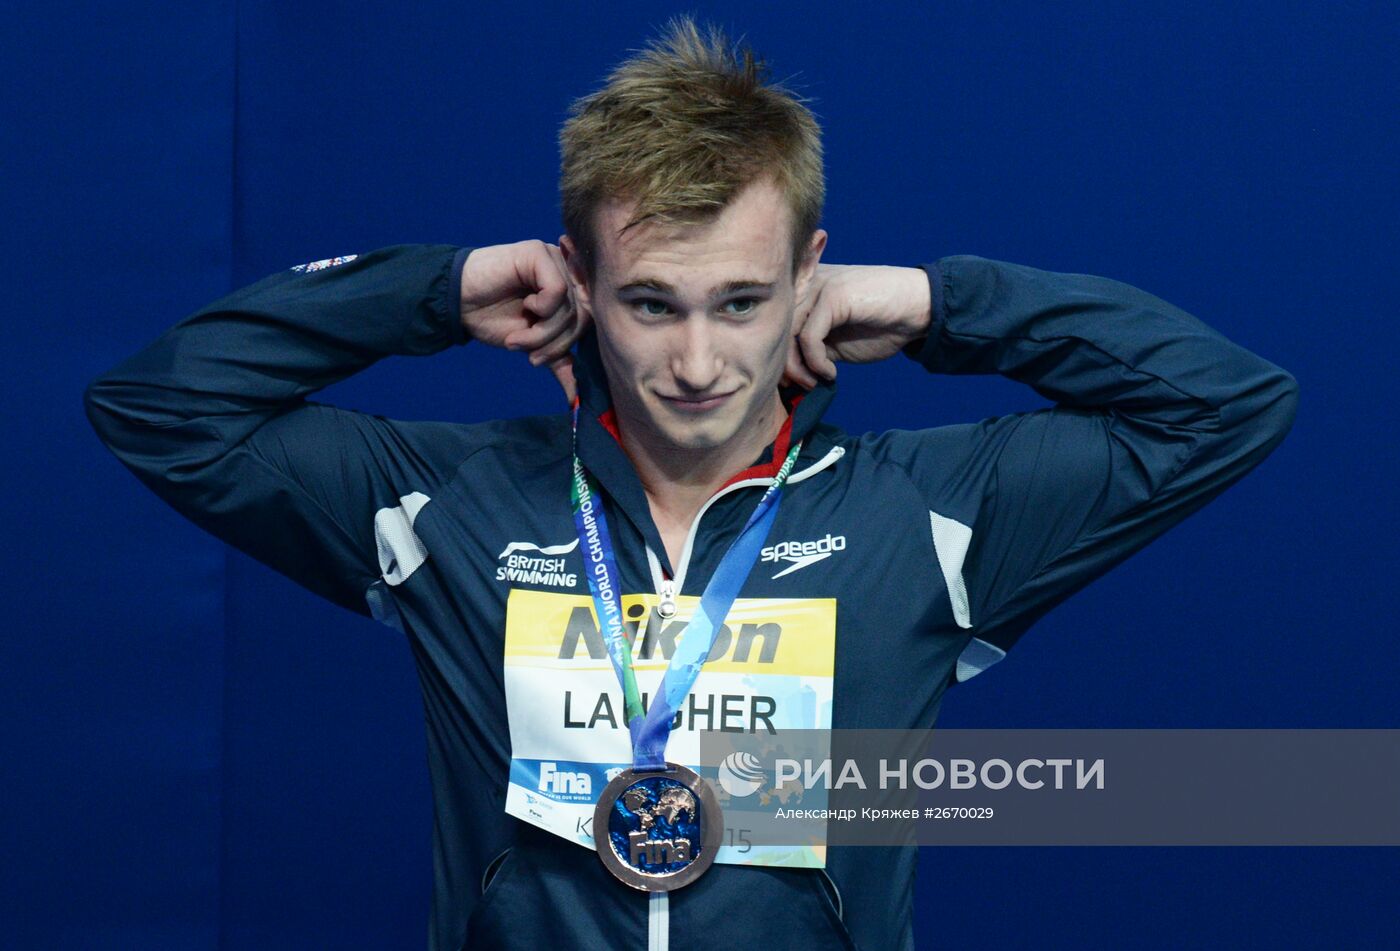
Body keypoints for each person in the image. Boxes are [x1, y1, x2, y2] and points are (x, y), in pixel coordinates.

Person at [83, 15, 1298, 951]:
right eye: (651, 303)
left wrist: (937, 304)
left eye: (742, 301)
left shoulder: (921, 513)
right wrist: (433, 290)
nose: (699, 362)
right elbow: (159, 407)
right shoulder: (448, 505)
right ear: (577, 281)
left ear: (808, 274)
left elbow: (1227, 403)